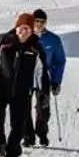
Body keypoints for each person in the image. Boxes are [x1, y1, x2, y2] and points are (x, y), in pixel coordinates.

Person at [0, 12, 47, 157]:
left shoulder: (36, 47)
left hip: (23, 91)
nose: (23, 31)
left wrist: (43, 91)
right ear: (16, 27)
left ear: (32, 30)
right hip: (1, 88)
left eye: (27, 28)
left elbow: (42, 71)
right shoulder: (3, 42)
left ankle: (12, 154)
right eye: (21, 27)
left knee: (18, 124)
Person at [30, 8, 66, 147]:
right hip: (25, 78)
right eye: (36, 21)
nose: (39, 24)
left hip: (44, 78)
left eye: (42, 22)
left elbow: (60, 61)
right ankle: (28, 136)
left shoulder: (53, 39)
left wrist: (56, 81)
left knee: (43, 109)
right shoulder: (25, 35)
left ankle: (42, 134)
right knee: (23, 109)